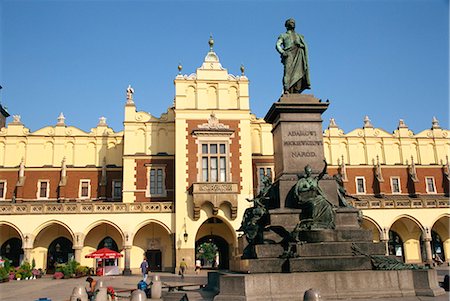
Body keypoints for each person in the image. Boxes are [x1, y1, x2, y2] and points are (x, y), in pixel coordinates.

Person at [276, 18, 311, 94]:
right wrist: (282, 52)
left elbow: (303, 45)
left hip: (299, 54)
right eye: (291, 22)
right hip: (289, 54)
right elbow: (278, 45)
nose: (293, 23)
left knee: (300, 71)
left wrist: (300, 45)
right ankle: (286, 89)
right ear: (287, 25)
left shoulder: (299, 36)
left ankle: (297, 90)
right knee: (287, 72)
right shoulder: (284, 35)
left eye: (294, 22)